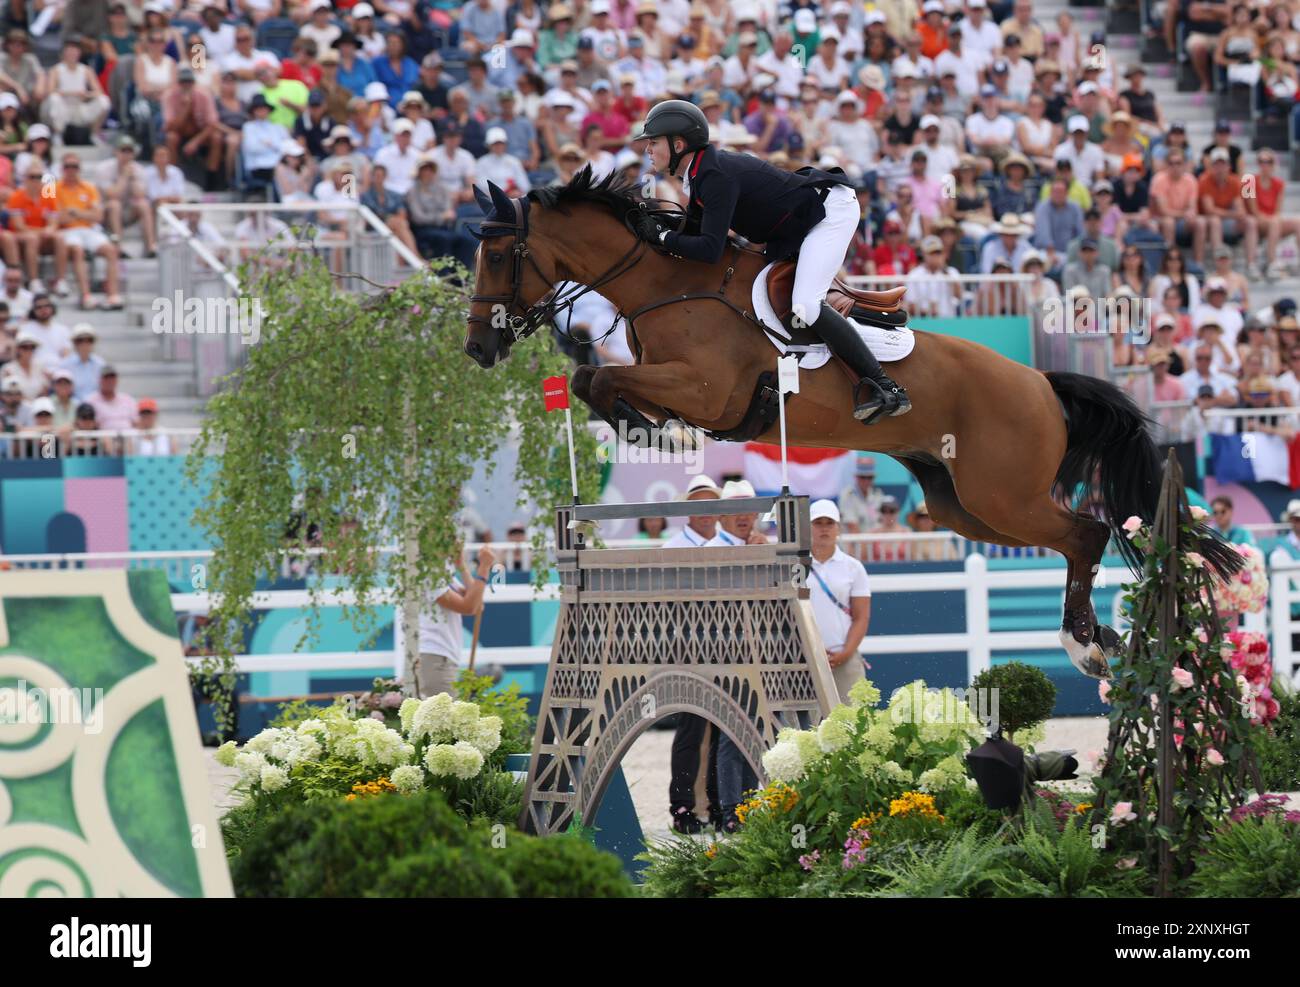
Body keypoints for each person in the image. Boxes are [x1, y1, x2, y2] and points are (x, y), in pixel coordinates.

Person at [631, 99, 909, 422]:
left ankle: (883, 386)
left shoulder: (714, 175)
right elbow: (691, 233)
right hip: (792, 228)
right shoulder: (699, 176)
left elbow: (708, 249)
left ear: (678, 144)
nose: (648, 149)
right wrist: (650, 226)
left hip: (829, 213)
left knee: (805, 304)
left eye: (653, 142)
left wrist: (662, 237)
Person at [661, 473, 723, 833]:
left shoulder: (727, 545)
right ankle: (682, 806)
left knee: (721, 731)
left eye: (710, 504)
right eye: (698, 503)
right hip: (686, 647)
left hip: (724, 648)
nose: (704, 511)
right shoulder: (671, 548)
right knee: (690, 728)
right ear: (688, 510)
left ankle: (715, 804)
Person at [707, 479, 767, 830]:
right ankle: (732, 811)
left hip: (759, 649)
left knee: (757, 732)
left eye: (748, 510)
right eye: (736, 510)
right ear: (723, 516)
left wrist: (765, 551)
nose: (744, 516)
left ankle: (746, 805)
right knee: (732, 731)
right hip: (726, 650)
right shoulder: (715, 547)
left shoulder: (759, 544)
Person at [805, 498, 872, 704]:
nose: (824, 529)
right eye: (818, 523)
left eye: (829, 523)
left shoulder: (853, 567)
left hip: (844, 657)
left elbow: (861, 617)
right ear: (808, 528)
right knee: (806, 728)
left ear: (838, 528)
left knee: (853, 725)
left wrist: (845, 653)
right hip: (804, 658)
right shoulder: (794, 565)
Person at [411, 540, 497, 699]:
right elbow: (469, 607)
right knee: (449, 721)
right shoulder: (429, 574)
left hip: (442, 656)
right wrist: (484, 568)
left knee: (447, 719)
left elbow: (477, 604)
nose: (458, 543)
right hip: (434, 656)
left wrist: (462, 566)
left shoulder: (442, 573)